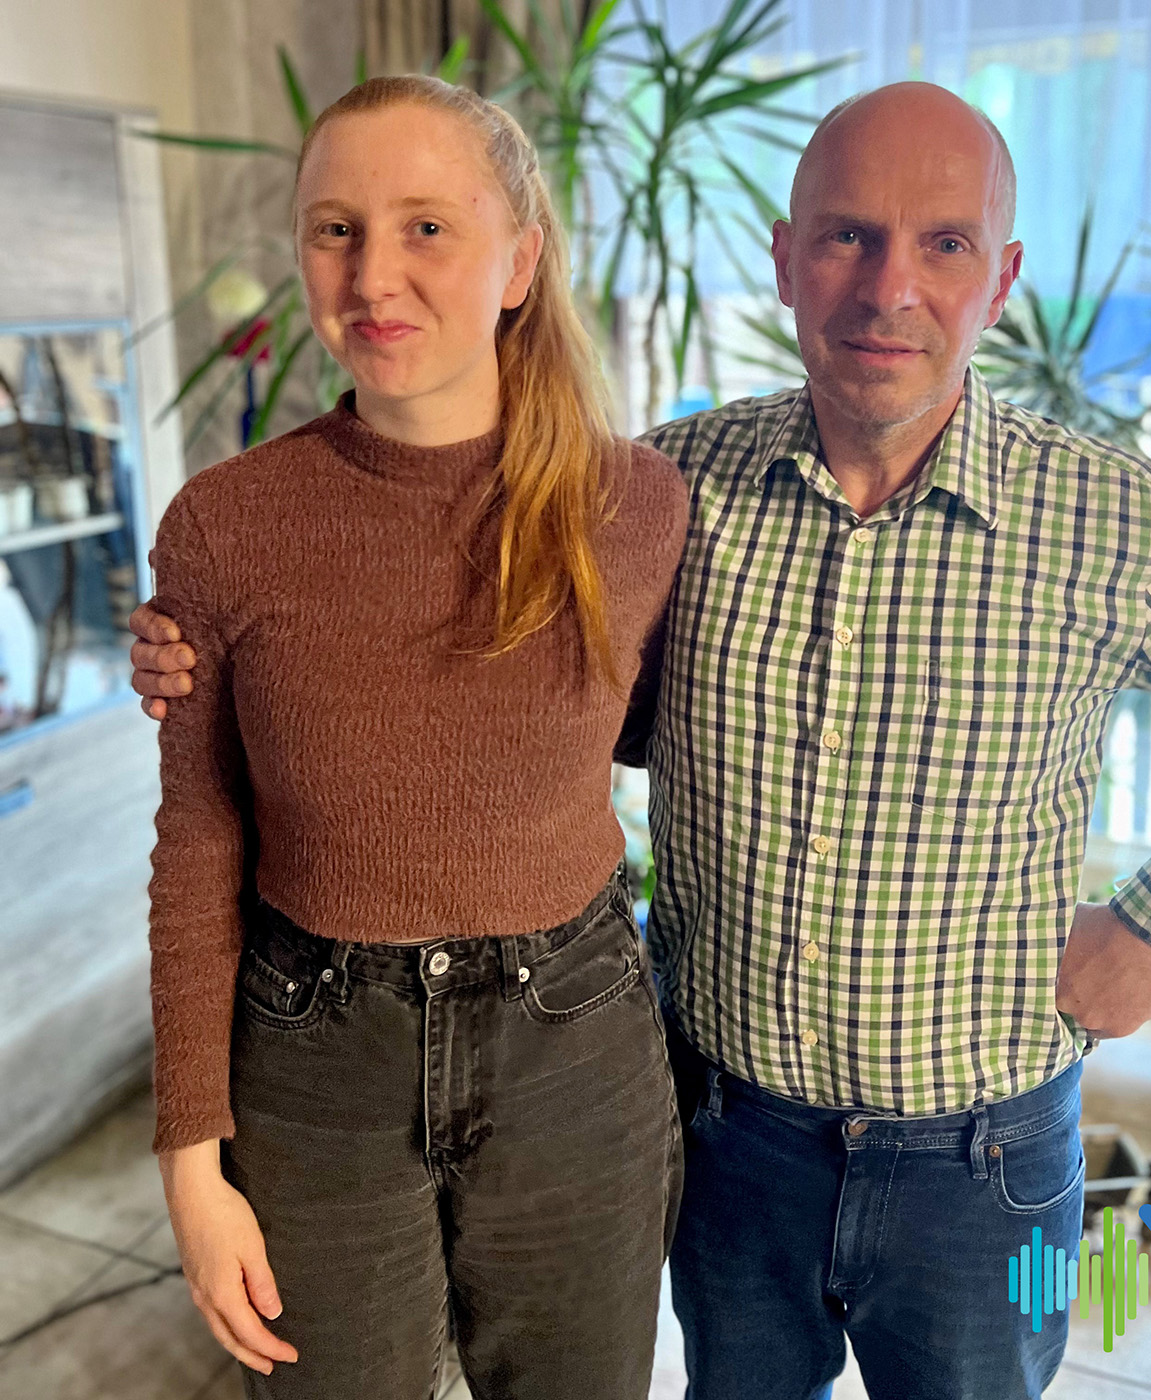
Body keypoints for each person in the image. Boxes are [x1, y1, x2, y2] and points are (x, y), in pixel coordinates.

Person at [132, 83, 1151, 1400]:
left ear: (1002, 277)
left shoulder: (1113, 520)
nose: (888, 286)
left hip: (985, 1161)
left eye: (944, 244)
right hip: (732, 1140)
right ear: (785, 261)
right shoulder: (666, 490)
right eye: (845, 237)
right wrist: (201, 662)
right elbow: (514, 703)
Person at [134, 75, 687, 1400]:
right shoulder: (224, 526)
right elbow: (199, 840)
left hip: (576, 1047)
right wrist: (190, 1164)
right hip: (316, 1058)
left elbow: (647, 735)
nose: (373, 272)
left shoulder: (637, 507)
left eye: (426, 226)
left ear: (519, 259)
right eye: (335, 229)